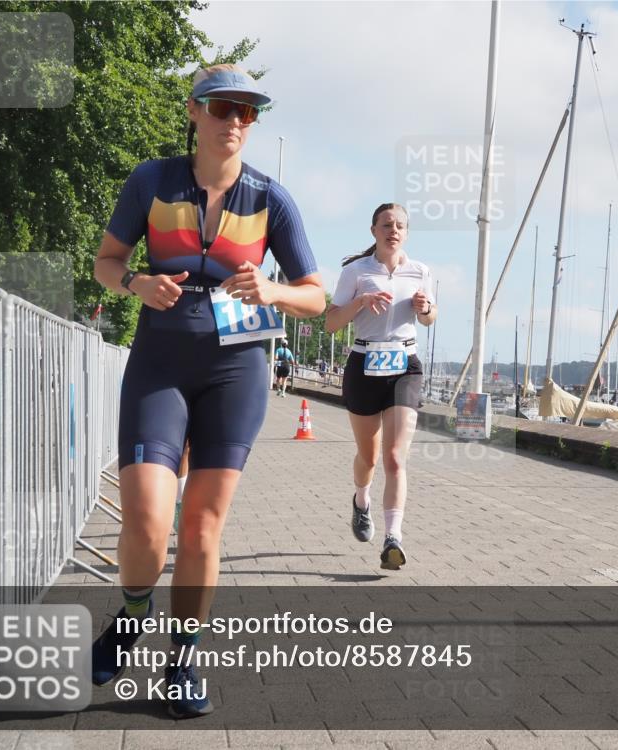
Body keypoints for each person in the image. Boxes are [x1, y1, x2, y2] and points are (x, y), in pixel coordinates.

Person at [90, 63, 324, 718]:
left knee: (200, 530)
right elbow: (106, 262)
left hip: (236, 367)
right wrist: (135, 283)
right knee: (145, 518)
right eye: (224, 108)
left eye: (249, 113)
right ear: (194, 111)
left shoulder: (270, 198)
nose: (237, 122)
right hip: (160, 361)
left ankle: (183, 658)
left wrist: (271, 289)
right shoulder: (151, 181)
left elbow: (315, 294)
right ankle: (134, 613)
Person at [325, 203, 436, 570]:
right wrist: (360, 301)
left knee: (394, 457)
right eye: (386, 224)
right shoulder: (356, 271)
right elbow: (331, 322)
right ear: (373, 230)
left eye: (400, 225)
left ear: (407, 231)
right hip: (364, 364)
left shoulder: (420, 270)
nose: (394, 230)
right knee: (369, 458)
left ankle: (393, 538)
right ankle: (361, 501)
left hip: (405, 365)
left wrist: (425, 308)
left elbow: (430, 318)